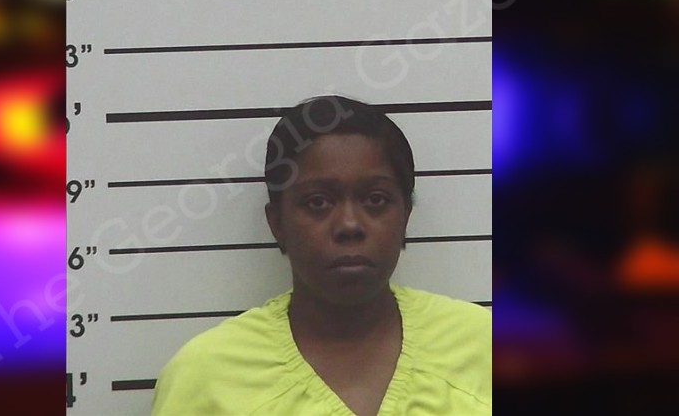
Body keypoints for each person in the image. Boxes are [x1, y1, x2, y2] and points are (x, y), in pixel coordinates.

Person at [151, 95, 491, 415]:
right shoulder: (205, 378)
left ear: (405, 217)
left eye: (375, 199)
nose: (349, 224)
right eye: (318, 202)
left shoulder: (485, 347)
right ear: (277, 224)